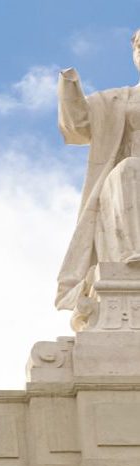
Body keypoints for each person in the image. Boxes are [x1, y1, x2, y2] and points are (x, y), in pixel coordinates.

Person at [57, 30, 140, 311]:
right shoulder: (118, 99)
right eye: (139, 46)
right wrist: (69, 86)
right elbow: (78, 125)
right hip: (130, 176)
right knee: (129, 169)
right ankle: (133, 257)